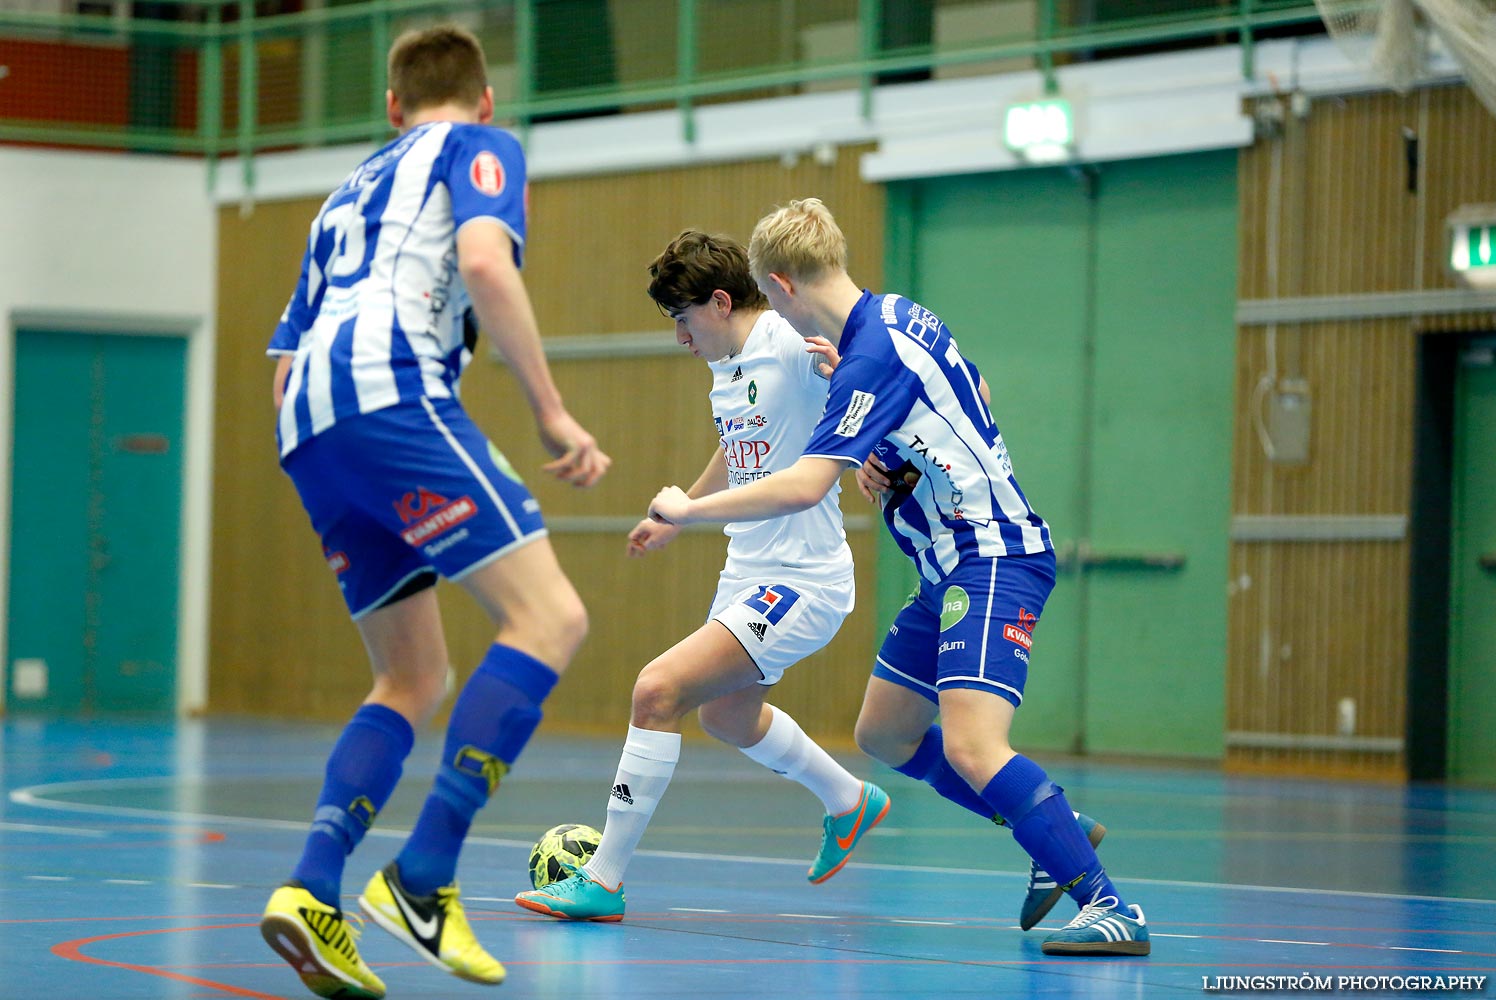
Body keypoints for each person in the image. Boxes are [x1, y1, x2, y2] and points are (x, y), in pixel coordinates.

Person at [646, 199, 1148, 956]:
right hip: (946, 567)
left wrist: (690, 510)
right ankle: (1055, 828)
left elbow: (807, 484)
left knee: (977, 747)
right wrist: (898, 455)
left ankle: (1110, 906)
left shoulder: (866, 357)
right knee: (885, 731)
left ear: (779, 286)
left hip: (991, 560)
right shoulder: (894, 320)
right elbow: (970, 390)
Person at [257, 24, 611, 999]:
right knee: (553, 616)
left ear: (391, 107)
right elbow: (488, 264)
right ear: (486, 100)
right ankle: (423, 875)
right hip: (390, 393)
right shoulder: (478, 147)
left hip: (306, 426)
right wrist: (551, 412)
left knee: (412, 674)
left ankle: (313, 885)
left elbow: (286, 358)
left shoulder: (342, 196)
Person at [513, 230, 888, 922]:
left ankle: (603, 879)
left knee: (657, 690)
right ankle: (848, 799)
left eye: (684, 321)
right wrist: (676, 515)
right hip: (747, 567)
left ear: (721, 302)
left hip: (803, 578)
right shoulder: (726, 363)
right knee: (727, 715)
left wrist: (860, 415)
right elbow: (740, 447)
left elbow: (867, 389)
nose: (681, 339)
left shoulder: (785, 341)